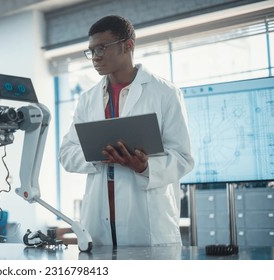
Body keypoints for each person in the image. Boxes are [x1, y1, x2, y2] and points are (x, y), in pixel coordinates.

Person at [59, 15, 194, 246]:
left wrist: (144, 166)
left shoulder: (165, 93)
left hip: (147, 222)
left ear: (128, 45)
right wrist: (97, 155)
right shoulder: (88, 99)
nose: (95, 57)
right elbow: (66, 154)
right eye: (91, 51)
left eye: (102, 48)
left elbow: (183, 158)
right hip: (99, 223)